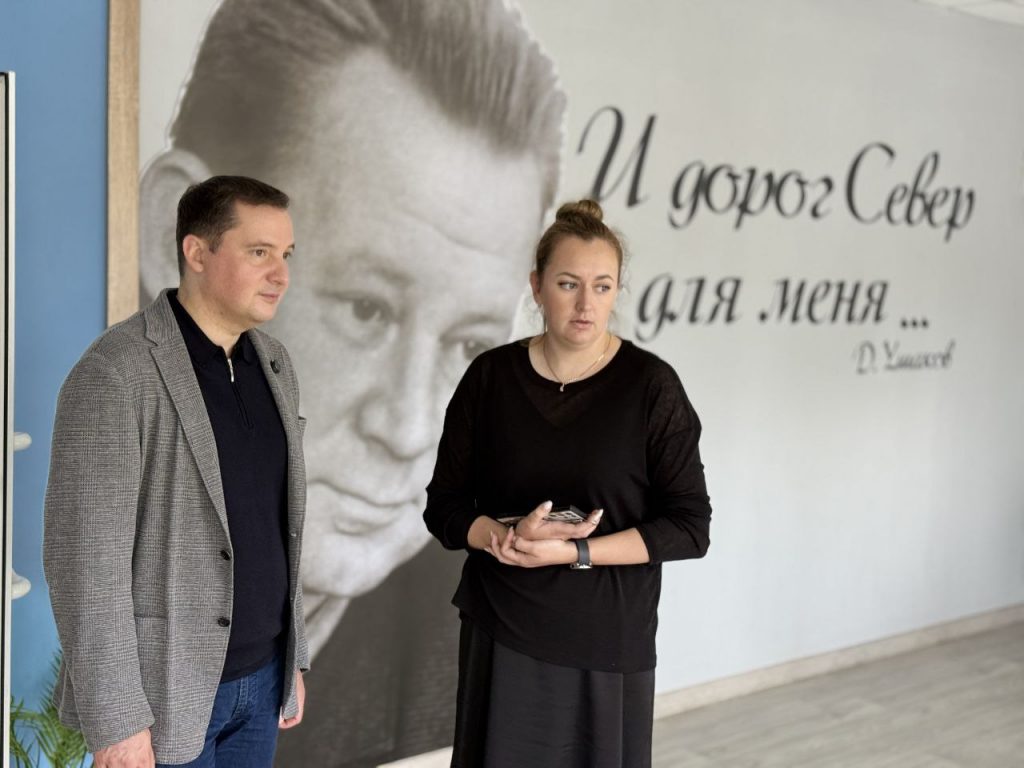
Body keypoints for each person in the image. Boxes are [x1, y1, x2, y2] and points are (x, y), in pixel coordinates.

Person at [138, 1, 566, 765]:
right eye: (367, 309)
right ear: (184, 245)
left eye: (469, 342)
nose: (410, 429)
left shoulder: (478, 632)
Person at [424, 199, 713, 768]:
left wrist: (575, 552)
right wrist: (503, 539)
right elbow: (445, 507)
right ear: (536, 287)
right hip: (502, 626)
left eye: (602, 286)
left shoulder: (651, 387)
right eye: (568, 283)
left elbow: (689, 529)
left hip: (606, 640)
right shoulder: (490, 377)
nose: (586, 304)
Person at [43, 176, 309, 767]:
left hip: (264, 679)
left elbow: (279, 527)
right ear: (197, 252)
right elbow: (84, 562)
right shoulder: (114, 372)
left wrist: (292, 656)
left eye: (286, 255)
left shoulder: (274, 363)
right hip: (162, 694)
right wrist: (117, 721)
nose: (280, 275)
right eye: (259, 252)